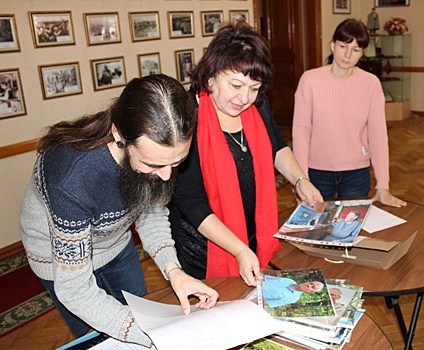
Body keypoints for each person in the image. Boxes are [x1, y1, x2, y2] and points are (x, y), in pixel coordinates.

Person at [19, 74, 219, 348]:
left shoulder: (160, 158)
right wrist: (154, 336)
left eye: (177, 163)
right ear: (119, 135)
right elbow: (75, 290)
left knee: (141, 310)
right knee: (100, 338)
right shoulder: (72, 176)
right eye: (152, 164)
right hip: (56, 257)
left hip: (115, 243)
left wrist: (174, 271)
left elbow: (152, 212)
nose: (165, 176)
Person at [168, 22, 323, 287]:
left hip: (254, 233)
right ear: (210, 77)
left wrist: (300, 180)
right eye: (236, 85)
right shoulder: (185, 117)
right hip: (205, 248)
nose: (245, 98)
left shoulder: (257, 105)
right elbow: (190, 201)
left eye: (254, 88)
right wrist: (238, 250)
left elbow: (277, 147)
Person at [292, 18, 406, 208]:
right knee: (316, 230)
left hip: (356, 173)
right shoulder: (310, 80)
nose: (347, 55)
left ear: (362, 53)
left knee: (350, 229)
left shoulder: (370, 84)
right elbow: (301, 133)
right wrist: (301, 180)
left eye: (355, 50)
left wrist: (383, 185)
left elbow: (378, 136)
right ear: (332, 45)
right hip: (316, 172)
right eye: (343, 46)